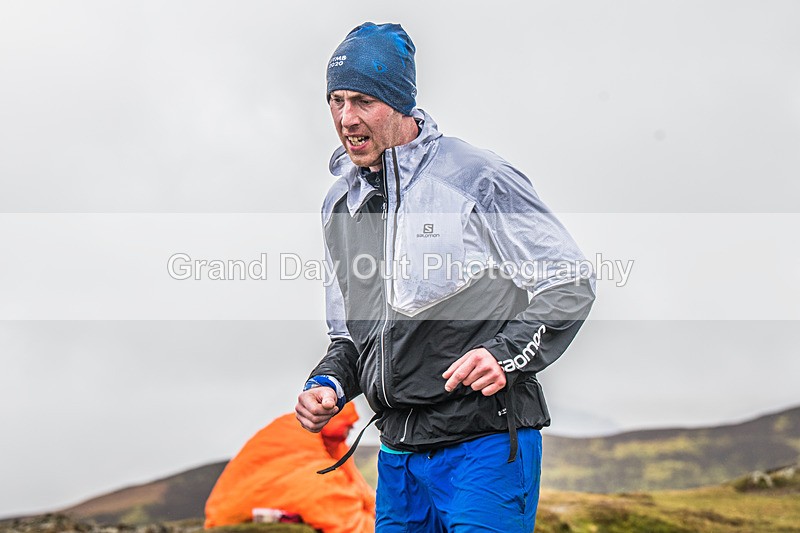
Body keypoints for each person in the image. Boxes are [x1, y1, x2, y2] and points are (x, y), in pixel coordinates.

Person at [295, 22, 595, 532]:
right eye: (336, 100)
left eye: (363, 101)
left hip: (485, 447)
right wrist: (327, 382)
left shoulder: (475, 175)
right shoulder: (339, 205)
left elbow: (568, 282)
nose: (346, 118)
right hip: (398, 457)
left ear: (399, 104)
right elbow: (350, 334)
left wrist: (504, 353)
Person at [205, 403, 375, 532]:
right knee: (323, 484)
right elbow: (321, 487)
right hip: (227, 515)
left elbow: (357, 485)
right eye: (347, 425)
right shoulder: (296, 433)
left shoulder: (331, 443)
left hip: (225, 512)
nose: (352, 428)